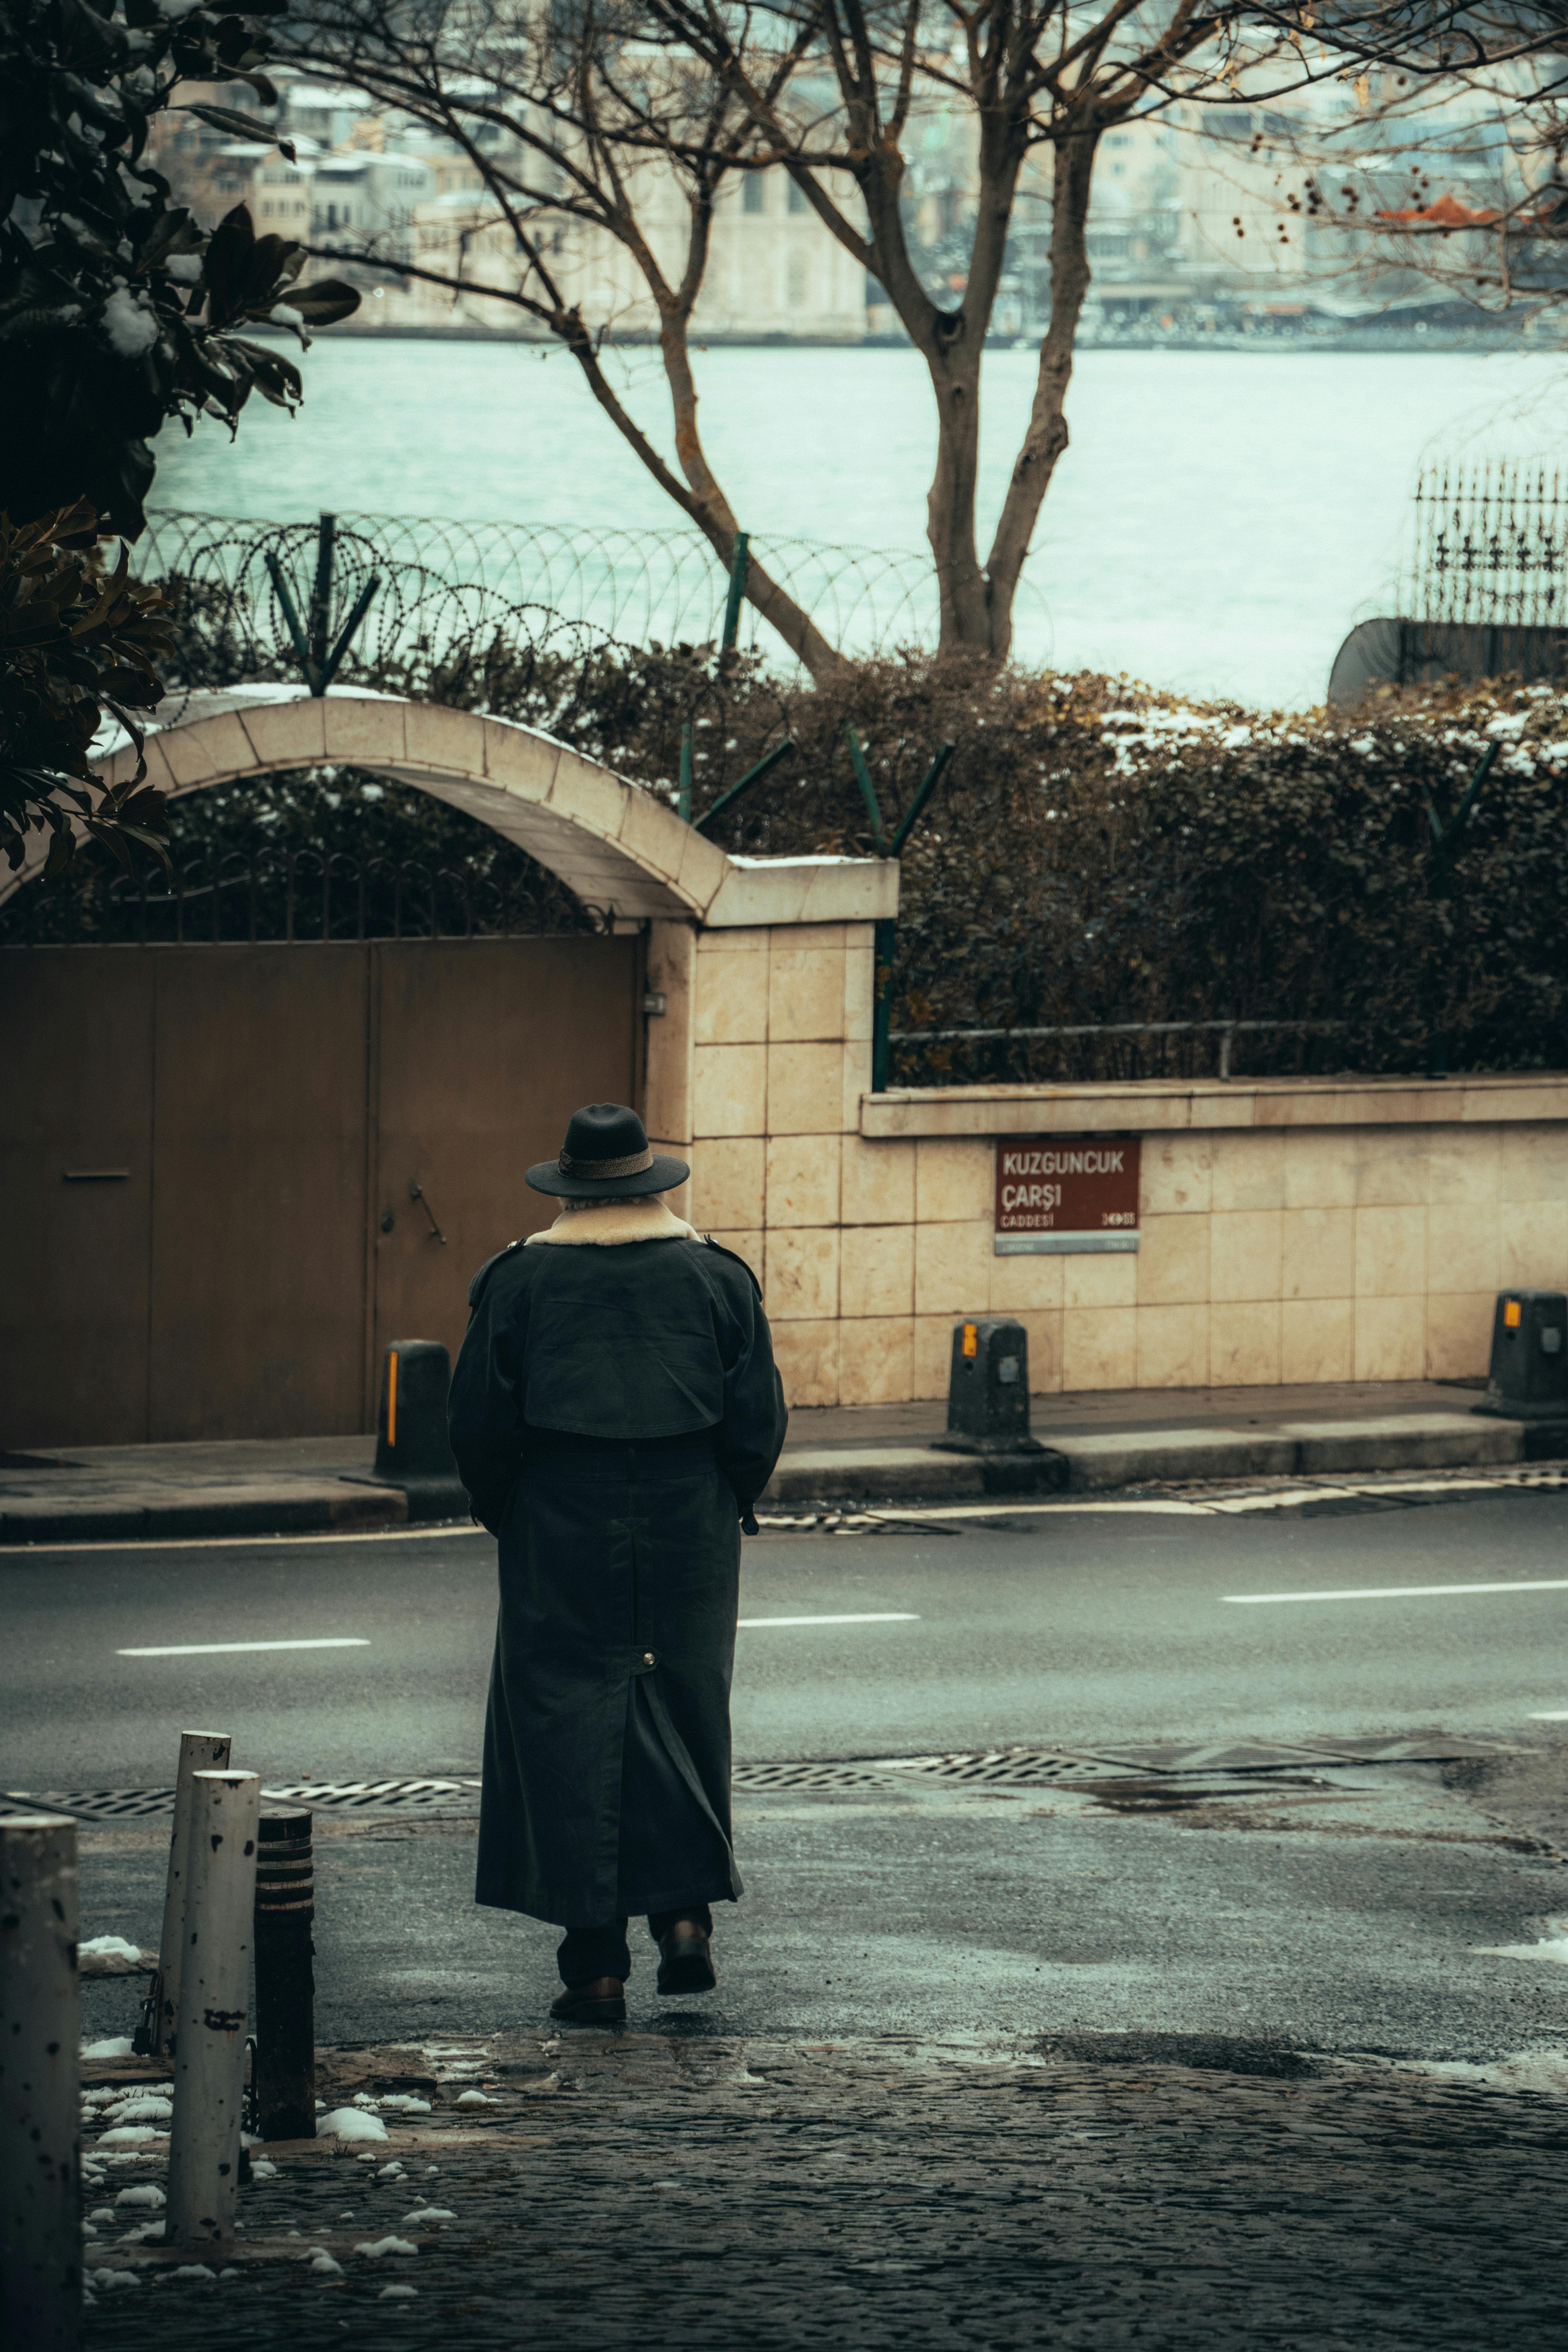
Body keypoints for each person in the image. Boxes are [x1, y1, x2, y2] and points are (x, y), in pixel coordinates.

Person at [448, 1101, 788, 2026]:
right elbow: (757, 1422)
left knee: (563, 1731)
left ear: (569, 1187)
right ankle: (683, 1920)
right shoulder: (717, 1276)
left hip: (559, 1525)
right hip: (689, 1525)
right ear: (651, 1183)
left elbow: (477, 1427)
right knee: (681, 1710)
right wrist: (720, 1502)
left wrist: (513, 1513)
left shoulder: (516, 1283)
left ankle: (593, 1966)